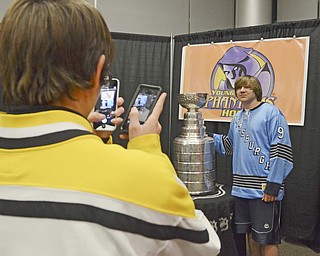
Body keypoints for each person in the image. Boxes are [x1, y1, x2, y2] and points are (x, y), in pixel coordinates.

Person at [0, 1, 220, 256]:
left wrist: (92, 139)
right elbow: (204, 245)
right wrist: (146, 149)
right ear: (97, 73)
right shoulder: (144, 177)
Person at [213, 75, 293, 256]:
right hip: (241, 189)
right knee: (250, 233)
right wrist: (205, 135)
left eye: (247, 87)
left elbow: (281, 151)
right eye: (239, 88)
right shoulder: (237, 118)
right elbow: (229, 147)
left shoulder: (271, 113)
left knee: (267, 238)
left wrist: (273, 186)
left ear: (256, 90)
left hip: (264, 189)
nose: (242, 90)